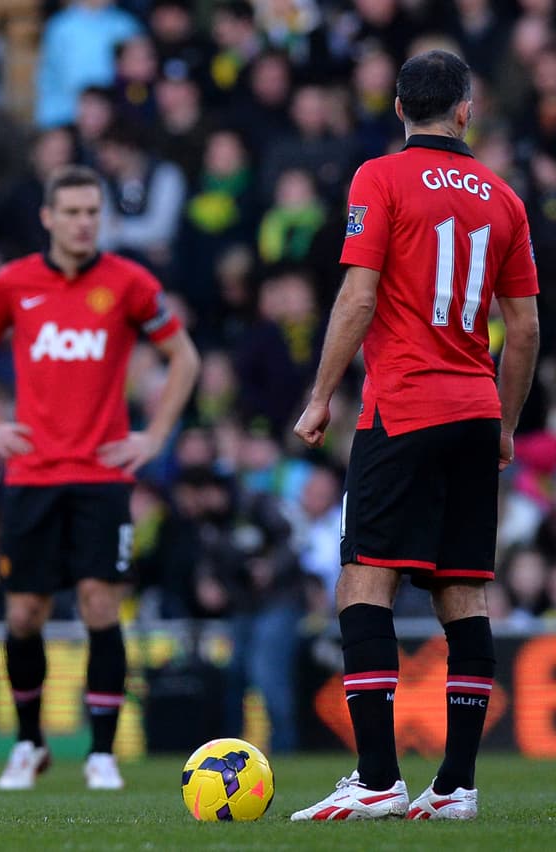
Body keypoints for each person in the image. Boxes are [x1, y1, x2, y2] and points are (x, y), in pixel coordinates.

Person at [291, 51, 540, 822]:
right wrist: (505, 423)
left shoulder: (379, 178)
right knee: (463, 595)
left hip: (402, 407)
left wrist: (321, 395)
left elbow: (359, 297)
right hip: (473, 410)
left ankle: (376, 777)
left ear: (399, 106)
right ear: (466, 110)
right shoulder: (504, 198)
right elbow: (525, 329)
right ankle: (457, 786)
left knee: (364, 580)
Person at [0, 164, 200, 791]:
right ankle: (31, 742)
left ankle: (101, 754)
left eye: (92, 211)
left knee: (99, 603)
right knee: (23, 614)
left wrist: (155, 435)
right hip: (33, 473)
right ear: (48, 218)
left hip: (99, 473)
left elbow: (184, 357)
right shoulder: (14, 283)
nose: (83, 222)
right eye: (71, 212)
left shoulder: (129, 283)